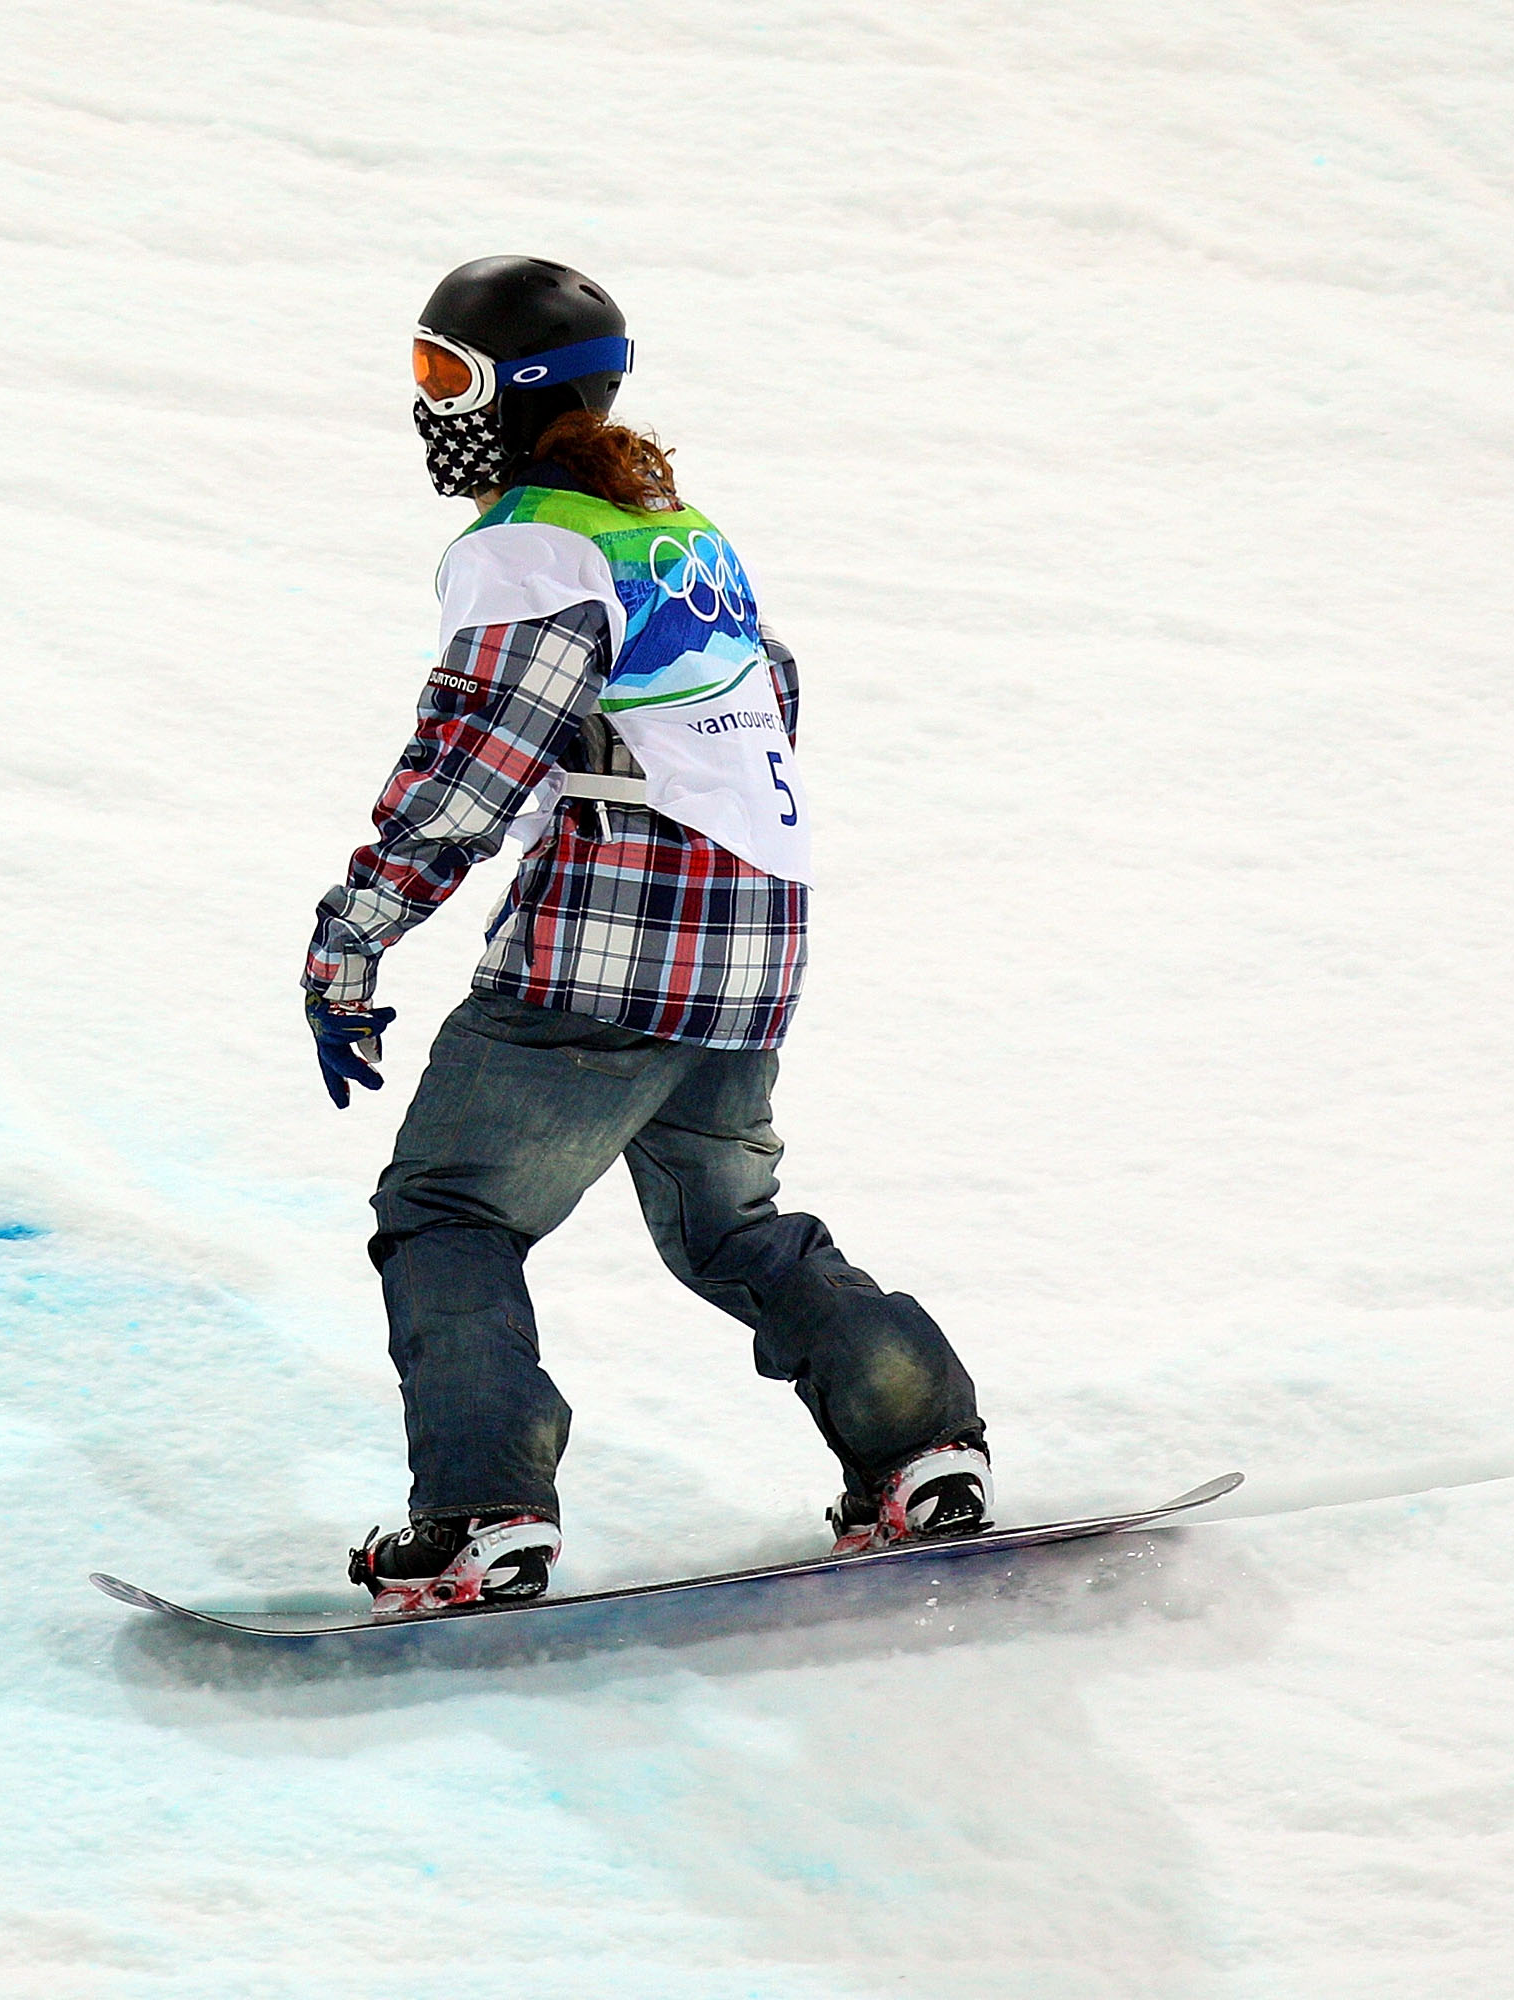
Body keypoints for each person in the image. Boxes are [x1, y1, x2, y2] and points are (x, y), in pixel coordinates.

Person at [306, 255, 990, 1617]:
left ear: (514, 391)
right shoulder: (673, 532)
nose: (430, 403)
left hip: (602, 960)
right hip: (750, 951)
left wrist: (354, 935)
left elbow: (473, 760)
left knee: (449, 1213)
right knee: (731, 1227)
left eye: (447, 373)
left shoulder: (529, 549)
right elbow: (769, 696)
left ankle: (478, 1515)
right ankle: (917, 1445)